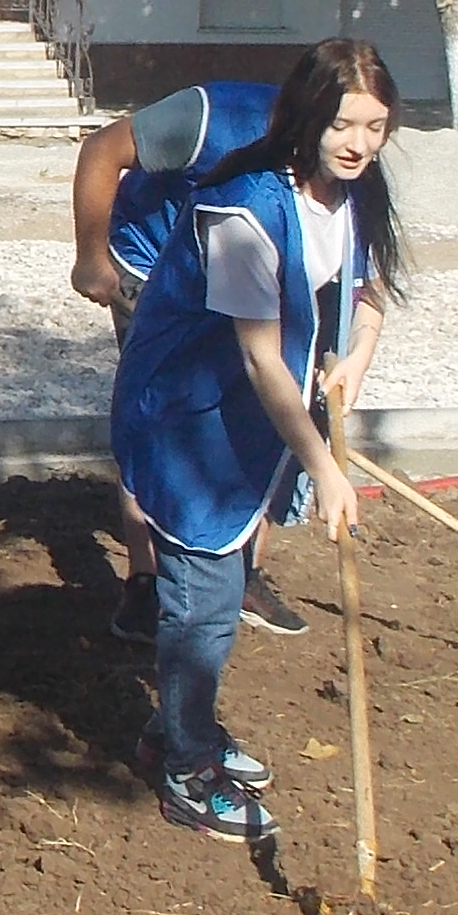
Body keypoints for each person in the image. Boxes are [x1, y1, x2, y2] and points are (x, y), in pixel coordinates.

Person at [109, 38, 407, 839]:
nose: (359, 144)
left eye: (376, 128)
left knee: (224, 578)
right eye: (344, 125)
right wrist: (323, 466)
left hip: (240, 414)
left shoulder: (353, 193)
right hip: (184, 412)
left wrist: (357, 360)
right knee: (203, 603)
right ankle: (186, 770)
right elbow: (261, 357)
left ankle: (176, 729)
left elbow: (370, 287)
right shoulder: (244, 211)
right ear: (308, 118)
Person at [69, 77, 312, 646]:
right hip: (155, 274)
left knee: (256, 416)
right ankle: (146, 581)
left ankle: (241, 572)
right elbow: (102, 149)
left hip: (247, 281)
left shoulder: (342, 158)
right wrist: (90, 258)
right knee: (157, 420)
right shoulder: (211, 115)